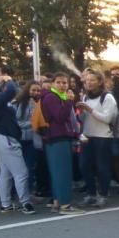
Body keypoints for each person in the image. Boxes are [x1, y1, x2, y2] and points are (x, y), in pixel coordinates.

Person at [0, 75, 35, 214]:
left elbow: (14, 91)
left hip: (2, 138)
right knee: (21, 172)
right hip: (6, 138)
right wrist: (7, 79)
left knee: (6, 173)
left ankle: (5, 204)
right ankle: (25, 203)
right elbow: (12, 89)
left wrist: (7, 82)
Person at [77, 70, 118, 208]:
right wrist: (81, 112)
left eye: (92, 80)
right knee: (84, 166)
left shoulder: (107, 98)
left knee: (102, 167)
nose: (88, 83)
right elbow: (83, 119)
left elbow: (107, 118)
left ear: (100, 82)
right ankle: (91, 193)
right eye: (87, 80)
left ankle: (103, 195)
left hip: (103, 137)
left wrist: (89, 110)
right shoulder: (85, 97)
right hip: (87, 136)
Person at [41, 72, 79, 214]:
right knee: (63, 172)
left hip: (55, 138)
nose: (62, 85)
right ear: (53, 83)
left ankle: (57, 202)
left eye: (65, 83)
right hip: (57, 138)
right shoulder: (52, 97)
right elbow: (60, 117)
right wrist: (69, 102)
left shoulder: (55, 97)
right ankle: (65, 205)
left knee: (57, 172)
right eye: (59, 82)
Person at [13, 80, 41, 195]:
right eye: (33, 90)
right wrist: (33, 123)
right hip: (23, 139)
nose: (36, 92)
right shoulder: (21, 102)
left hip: (32, 139)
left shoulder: (39, 102)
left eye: (38, 90)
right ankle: (26, 193)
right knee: (26, 167)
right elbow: (17, 121)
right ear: (27, 90)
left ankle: (27, 192)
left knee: (29, 167)